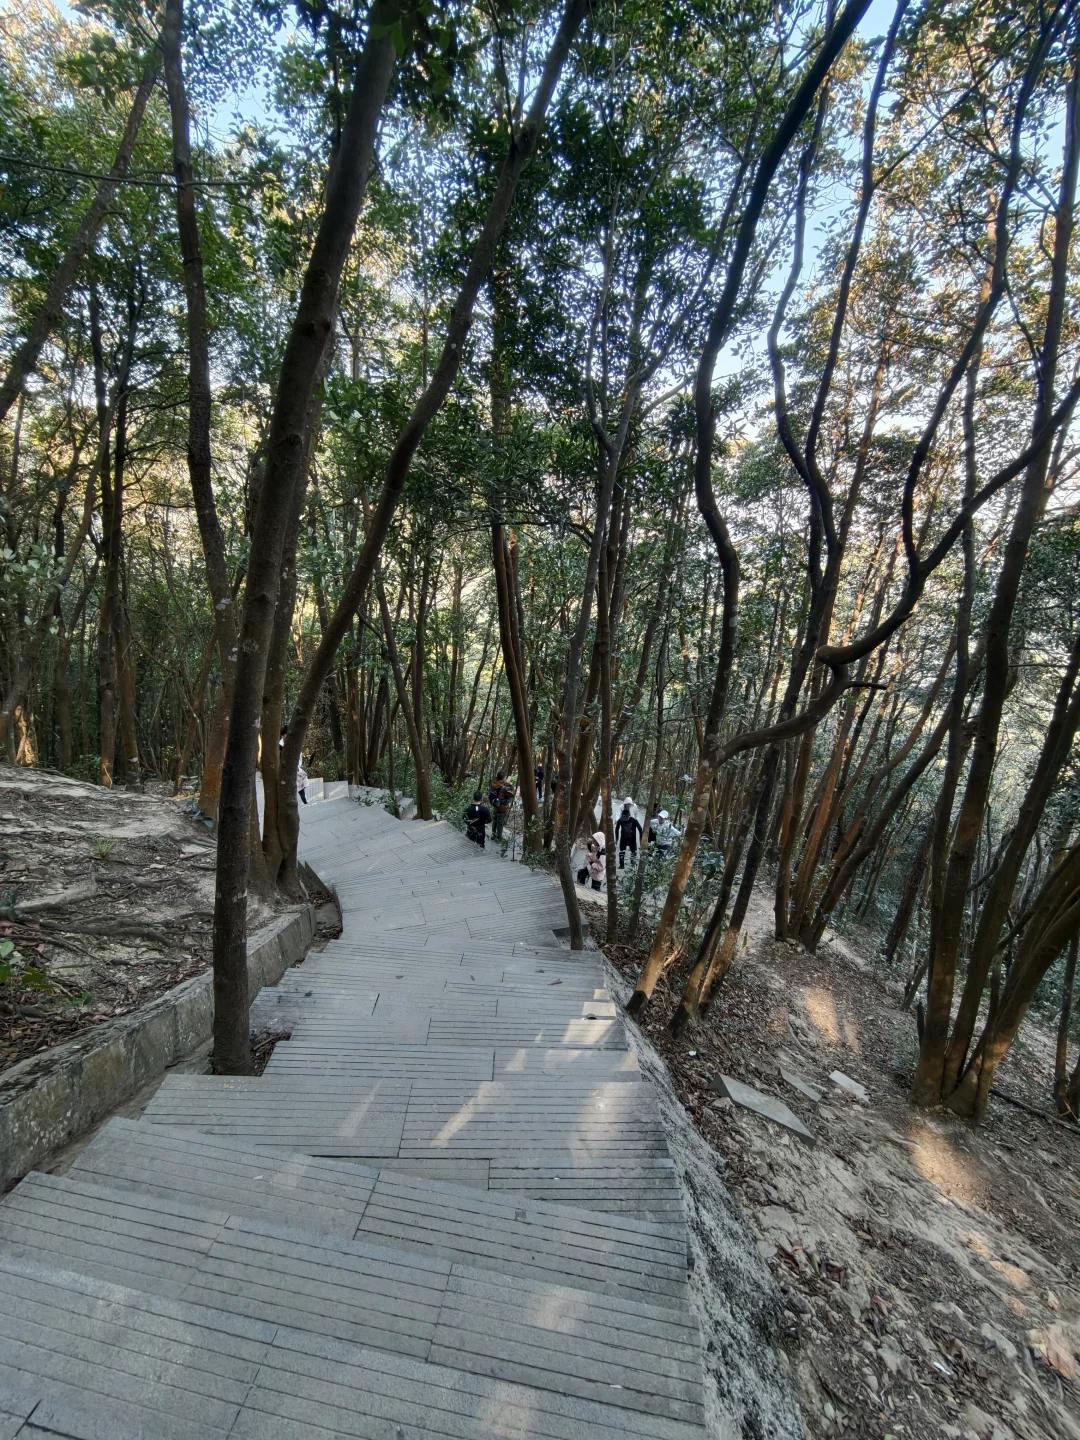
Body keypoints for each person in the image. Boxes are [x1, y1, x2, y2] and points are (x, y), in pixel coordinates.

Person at [615, 798, 642, 869]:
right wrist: (617, 839)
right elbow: (616, 829)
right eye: (627, 804)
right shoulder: (620, 818)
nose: (628, 805)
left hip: (632, 837)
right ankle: (621, 865)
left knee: (633, 851)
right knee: (622, 851)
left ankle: (632, 864)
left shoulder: (634, 819)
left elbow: (640, 829)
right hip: (623, 837)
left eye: (630, 804)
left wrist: (641, 839)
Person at [488, 771, 515, 841]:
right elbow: (512, 794)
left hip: (495, 805)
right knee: (500, 822)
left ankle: (493, 835)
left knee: (495, 821)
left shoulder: (494, 784)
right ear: (503, 778)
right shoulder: (505, 786)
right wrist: (510, 785)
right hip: (503, 806)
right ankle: (498, 837)